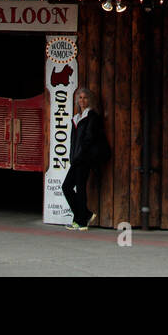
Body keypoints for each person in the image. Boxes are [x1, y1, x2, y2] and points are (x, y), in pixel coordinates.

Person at [64, 87, 107, 230]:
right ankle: (84, 215)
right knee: (67, 187)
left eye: (85, 98)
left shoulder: (92, 116)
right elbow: (73, 141)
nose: (82, 100)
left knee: (80, 188)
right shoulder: (76, 118)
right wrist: (72, 157)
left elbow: (89, 139)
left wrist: (80, 156)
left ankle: (80, 221)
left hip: (85, 158)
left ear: (90, 100)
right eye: (80, 98)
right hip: (76, 159)